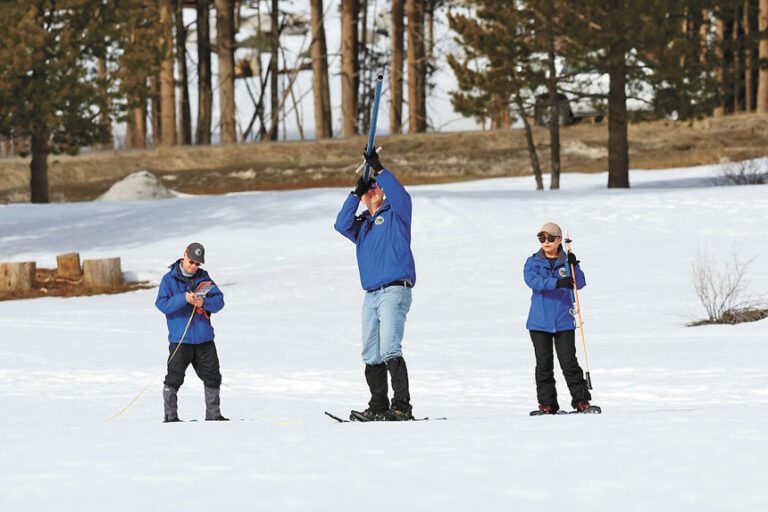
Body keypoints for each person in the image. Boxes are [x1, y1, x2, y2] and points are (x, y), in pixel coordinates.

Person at [334, 148, 416, 421]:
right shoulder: (363, 227)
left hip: (394, 289)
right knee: (371, 352)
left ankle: (401, 407)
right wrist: (354, 194)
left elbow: (403, 196)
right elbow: (340, 224)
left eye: (376, 188)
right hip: (371, 295)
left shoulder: (396, 215)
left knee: (390, 347)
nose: (372, 191)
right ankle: (378, 405)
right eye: (369, 189)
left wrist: (379, 170)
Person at [523, 223, 593, 415]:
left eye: (550, 238)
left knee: (569, 362)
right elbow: (533, 282)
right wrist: (557, 282)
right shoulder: (533, 262)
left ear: (559, 240)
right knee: (544, 365)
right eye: (541, 238)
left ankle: (581, 401)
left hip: (563, 321)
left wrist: (574, 265)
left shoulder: (566, 262)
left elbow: (580, 284)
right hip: (539, 323)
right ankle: (547, 405)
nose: (546, 242)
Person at [155, 242, 229, 422]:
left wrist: (203, 303)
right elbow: (162, 304)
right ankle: (171, 417)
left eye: (197, 264)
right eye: (191, 262)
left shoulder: (204, 278)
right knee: (174, 378)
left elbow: (219, 301)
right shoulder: (169, 279)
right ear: (184, 255)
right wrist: (184, 299)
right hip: (181, 339)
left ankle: (214, 415)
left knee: (213, 376)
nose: (194, 266)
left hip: (204, 338)